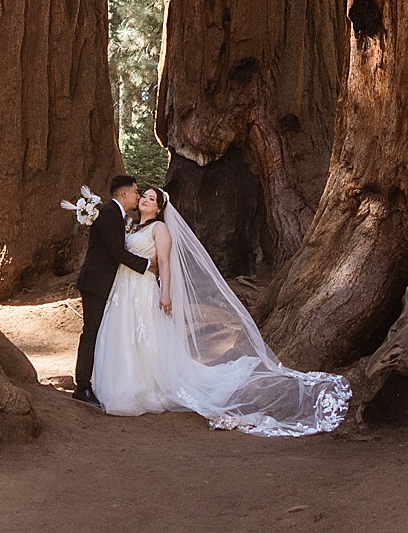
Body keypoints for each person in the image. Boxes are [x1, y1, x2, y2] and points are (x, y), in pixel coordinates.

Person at [91, 186, 352, 436]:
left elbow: (166, 265)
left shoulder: (160, 229)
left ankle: (146, 388)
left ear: (159, 208)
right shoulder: (134, 227)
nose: (145, 200)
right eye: (144, 196)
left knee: (146, 336)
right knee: (128, 336)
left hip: (144, 290)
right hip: (125, 291)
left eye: (151, 198)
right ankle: (126, 382)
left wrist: (166, 293)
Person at [72, 174, 150, 406]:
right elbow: (117, 251)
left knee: (100, 332)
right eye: (136, 192)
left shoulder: (117, 215)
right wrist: (146, 266)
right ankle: (82, 386)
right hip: (95, 283)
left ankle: (93, 381)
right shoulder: (109, 214)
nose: (138, 196)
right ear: (123, 193)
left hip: (104, 283)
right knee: (92, 332)